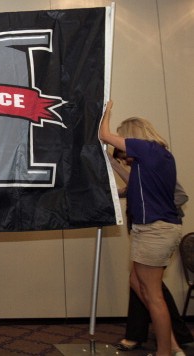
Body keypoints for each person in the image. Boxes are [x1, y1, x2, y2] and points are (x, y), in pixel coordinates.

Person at [99, 100, 186, 356]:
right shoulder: (151, 159)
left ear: (132, 136)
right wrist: (109, 160)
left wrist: (106, 112)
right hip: (149, 230)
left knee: (153, 294)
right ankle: (171, 345)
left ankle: (165, 352)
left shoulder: (148, 149)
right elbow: (131, 181)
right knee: (138, 284)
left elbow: (104, 135)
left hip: (155, 230)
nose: (123, 153)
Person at [109, 149, 193, 351]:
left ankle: (170, 341)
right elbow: (136, 188)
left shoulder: (154, 166)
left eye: (125, 158)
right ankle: (172, 339)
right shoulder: (140, 170)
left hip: (156, 231)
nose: (126, 162)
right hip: (143, 229)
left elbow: (179, 195)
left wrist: (156, 209)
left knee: (149, 288)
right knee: (141, 284)